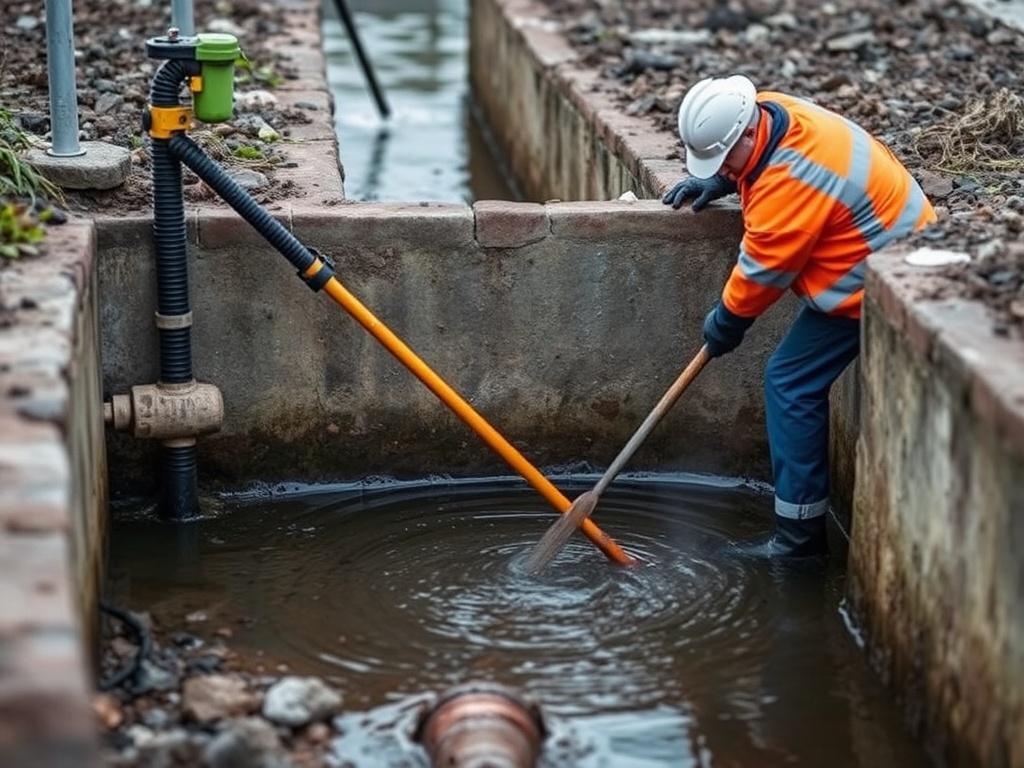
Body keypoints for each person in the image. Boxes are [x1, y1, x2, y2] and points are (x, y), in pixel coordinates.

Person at [663, 75, 935, 558]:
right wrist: (722, 179)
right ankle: (798, 529)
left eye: (724, 159)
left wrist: (723, 325)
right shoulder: (770, 109)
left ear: (748, 132)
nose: (723, 168)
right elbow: (752, 171)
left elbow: (761, 275)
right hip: (891, 239)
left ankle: (798, 539)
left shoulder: (792, 182)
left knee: (789, 382)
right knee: (789, 377)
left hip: (879, 276)